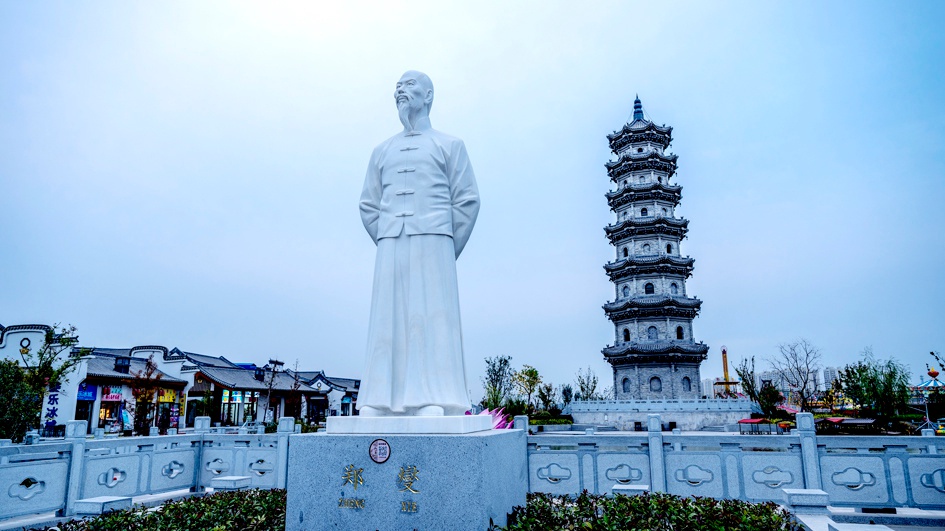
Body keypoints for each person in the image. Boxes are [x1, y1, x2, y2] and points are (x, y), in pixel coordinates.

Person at [358, 71, 480, 417]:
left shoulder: (449, 145)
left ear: (428, 96)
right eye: (397, 85)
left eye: (409, 85)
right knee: (387, 321)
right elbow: (368, 204)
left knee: (430, 319)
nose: (400, 90)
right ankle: (381, 399)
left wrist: (445, 246)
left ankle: (433, 396)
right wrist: (386, 237)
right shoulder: (381, 150)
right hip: (391, 243)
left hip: (435, 241)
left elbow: (468, 200)